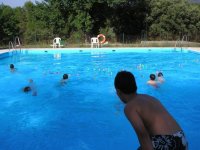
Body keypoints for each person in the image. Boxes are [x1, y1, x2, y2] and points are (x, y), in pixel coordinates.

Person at [114, 71, 188, 150]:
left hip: (167, 142)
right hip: (181, 139)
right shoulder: (149, 98)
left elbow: (143, 135)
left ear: (118, 91)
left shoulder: (130, 107)